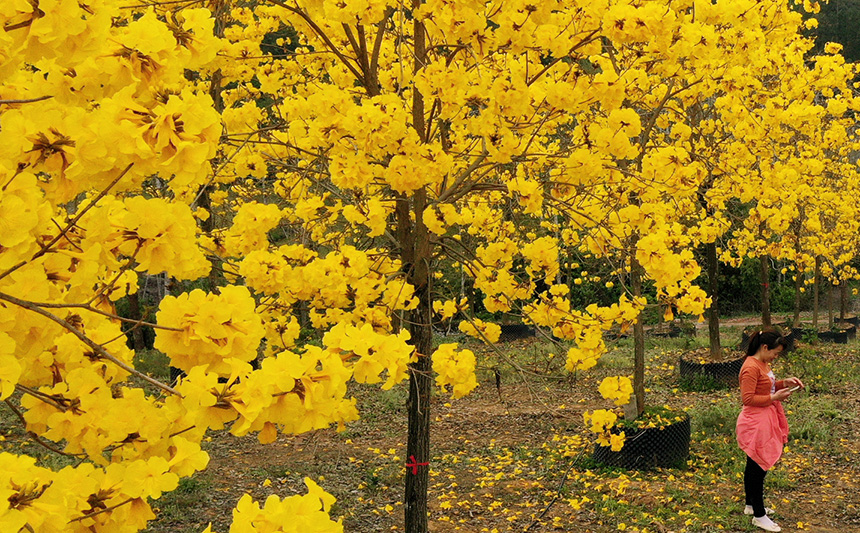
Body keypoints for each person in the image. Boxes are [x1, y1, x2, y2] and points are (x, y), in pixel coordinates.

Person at [735, 328, 804, 532]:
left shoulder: (763, 363)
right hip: (755, 422)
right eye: (774, 352)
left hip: (765, 418)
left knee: (753, 464)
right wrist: (775, 398)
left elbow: (766, 388)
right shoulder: (750, 367)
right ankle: (759, 515)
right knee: (758, 467)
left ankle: (750, 505)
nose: (775, 356)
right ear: (764, 347)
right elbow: (747, 399)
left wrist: (786, 382)